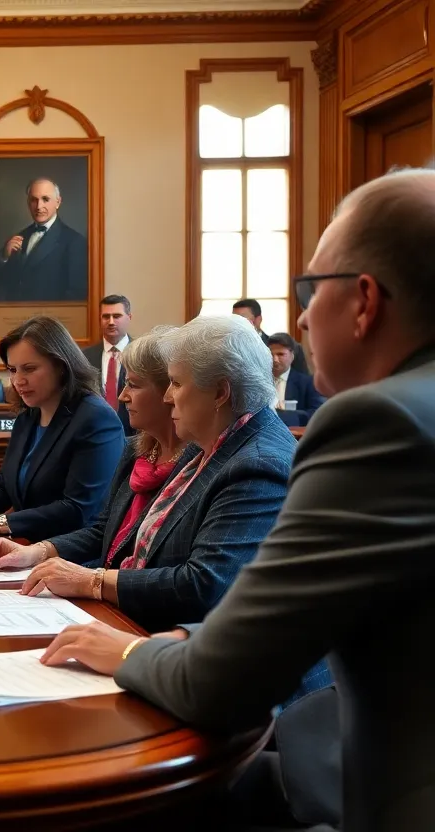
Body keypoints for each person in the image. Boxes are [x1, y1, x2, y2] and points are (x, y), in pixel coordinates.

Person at [36, 167, 435, 832]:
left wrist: (127, 651)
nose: (302, 317)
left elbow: (222, 685)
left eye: (311, 290)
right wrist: (191, 639)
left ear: (365, 301)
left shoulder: (377, 424)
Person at [0, 318, 298, 635]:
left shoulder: (256, 464)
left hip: (184, 647)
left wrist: (92, 581)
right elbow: (113, 535)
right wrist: (39, 552)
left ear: (220, 393)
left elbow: (203, 585)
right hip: (145, 625)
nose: (169, 397)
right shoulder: (211, 444)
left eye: (177, 384)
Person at [0, 317, 124, 540]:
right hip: (29, 547)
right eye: (13, 370)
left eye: (29, 369)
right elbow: (6, 485)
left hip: (77, 558)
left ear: (61, 366)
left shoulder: (96, 417)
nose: (18, 380)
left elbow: (76, 509)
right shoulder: (28, 416)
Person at [0, 178, 87, 303]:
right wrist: (4, 257)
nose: (39, 206)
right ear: (28, 203)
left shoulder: (74, 241)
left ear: (58, 202)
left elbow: (76, 294)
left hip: (50, 319)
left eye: (45, 199)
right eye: (34, 200)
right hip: (15, 317)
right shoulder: (19, 237)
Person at [82, 294, 133, 435]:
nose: (111, 322)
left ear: (129, 317)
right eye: (106, 317)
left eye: (116, 316)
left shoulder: (140, 353)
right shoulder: (85, 357)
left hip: (133, 435)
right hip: (94, 433)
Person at [233, 298, 310, 375]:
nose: (235, 323)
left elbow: (303, 383)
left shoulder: (288, 348)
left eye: (241, 319)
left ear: (258, 320)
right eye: (233, 319)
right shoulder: (228, 347)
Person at [268, 332, 326, 427]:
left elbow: (317, 414)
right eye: (271, 354)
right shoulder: (260, 381)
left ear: (292, 356)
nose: (275, 359)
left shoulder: (307, 383)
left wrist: (284, 416)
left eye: (280, 354)